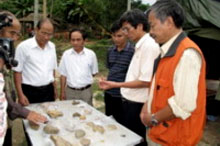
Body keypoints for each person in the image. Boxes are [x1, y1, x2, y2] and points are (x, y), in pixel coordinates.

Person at [140, 0, 206, 145]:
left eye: (152, 26)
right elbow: (157, 87)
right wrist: (147, 105)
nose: (150, 32)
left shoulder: (186, 54)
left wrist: (152, 119)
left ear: (169, 22)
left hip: (173, 139)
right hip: (161, 133)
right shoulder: (167, 51)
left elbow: (183, 105)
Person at [99, 9, 160, 146]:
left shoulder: (149, 46)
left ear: (139, 26)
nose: (126, 33)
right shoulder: (141, 46)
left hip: (137, 104)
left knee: (136, 139)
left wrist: (116, 85)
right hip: (130, 101)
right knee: (130, 137)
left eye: (127, 29)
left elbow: (146, 81)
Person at [0, 11, 47, 146]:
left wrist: (24, 113)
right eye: (11, 33)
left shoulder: (5, 56)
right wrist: (25, 112)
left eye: (17, 34)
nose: (14, 38)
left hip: (4, 119)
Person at [13, 18, 58, 105]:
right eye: (43, 33)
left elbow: (52, 69)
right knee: (31, 117)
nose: (46, 37)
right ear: (36, 30)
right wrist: (20, 95)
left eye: (49, 34)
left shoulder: (52, 47)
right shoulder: (23, 47)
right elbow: (17, 72)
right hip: (30, 91)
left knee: (49, 116)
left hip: (48, 90)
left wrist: (54, 88)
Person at [103, 20, 134, 123]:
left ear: (126, 35)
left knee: (122, 124)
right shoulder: (110, 51)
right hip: (109, 93)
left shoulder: (133, 52)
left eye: (119, 36)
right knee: (109, 121)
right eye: (114, 36)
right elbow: (110, 68)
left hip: (123, 96)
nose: (116, 39)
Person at [58, 28, 98, 105]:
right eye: (73, 40)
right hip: (70, 92)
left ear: (84, 40)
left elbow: (93, 73)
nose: (75, 42)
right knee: (70, 113)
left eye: (78, 40)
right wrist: (62, 92)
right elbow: (63, 75)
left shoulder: (91, 54)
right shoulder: (66, 55)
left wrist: (83, 80)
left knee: (87, 114)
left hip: (86, 91)